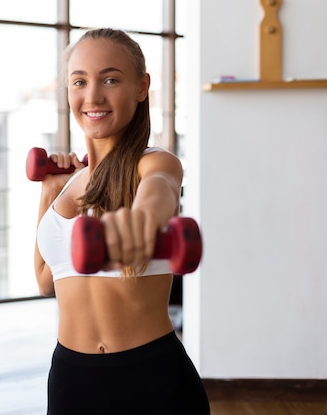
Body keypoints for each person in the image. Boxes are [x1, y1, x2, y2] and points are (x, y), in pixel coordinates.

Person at [34, 28, 210, 414]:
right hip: (70, 377)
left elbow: (159, 190)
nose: (93, 96)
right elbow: (46, 280)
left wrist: (142, 220)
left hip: (150, 377)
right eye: (80, 81)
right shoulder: (69, 184)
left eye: (111, 79)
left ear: (142, 87)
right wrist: (49, 191)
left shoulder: (154, 163)